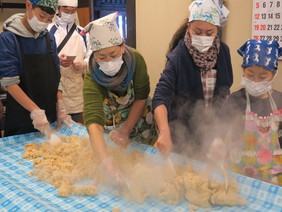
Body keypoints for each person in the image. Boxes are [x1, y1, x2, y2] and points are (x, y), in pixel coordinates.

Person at [152, 0, 233, 158]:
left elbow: (225, 92)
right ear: (188, 27)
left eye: (209, 33)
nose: (203, 37)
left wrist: (220, 132)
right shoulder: (179, 56)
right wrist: (164, 131)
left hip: (211, 134)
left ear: (217, 29)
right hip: (181, 137)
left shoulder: (223, 52)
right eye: (197, 31)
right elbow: (160, 97)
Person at [82, 12, 156, 183]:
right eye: (101, 57)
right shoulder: (92, 74)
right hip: (112, 122)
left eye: (113, 55)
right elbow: (93, 120)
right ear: (94, 55)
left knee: (142, 160)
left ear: (122, 46)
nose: (108, 61)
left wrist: (126, 129)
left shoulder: (136, 59)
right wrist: (105, 162)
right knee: (117, 156)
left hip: (139, 119)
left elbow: (141, 96)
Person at [211, 39, 282, 186]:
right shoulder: (236, 100)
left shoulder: (279, 100)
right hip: (240, 171)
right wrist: (217, 142)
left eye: (262, 77)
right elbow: (219, 127)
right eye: (250, 75)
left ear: (274, 74)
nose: (255, 81)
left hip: (272, 174)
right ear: (243, 70)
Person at [0, 0, 72, 137]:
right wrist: (35, 111)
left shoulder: (48, 38)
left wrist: (60, 104)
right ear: (28, 6)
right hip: (21, 119)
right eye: (42, 16)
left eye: (50, 19)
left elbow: (55, 74)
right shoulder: (8, 39)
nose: (45, 22)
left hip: (50, 116)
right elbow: (9, 83)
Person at [48, 0, 91, 124]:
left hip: (75, 90)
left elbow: (92, 57)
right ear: (58, 9)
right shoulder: (48, 30)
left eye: (73, 11)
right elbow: (41, 59)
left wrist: (84, 64)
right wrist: (57, 60)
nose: (69, 14)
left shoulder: (83, 33)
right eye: (66, 10)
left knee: (74, 129)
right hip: (53, 87)